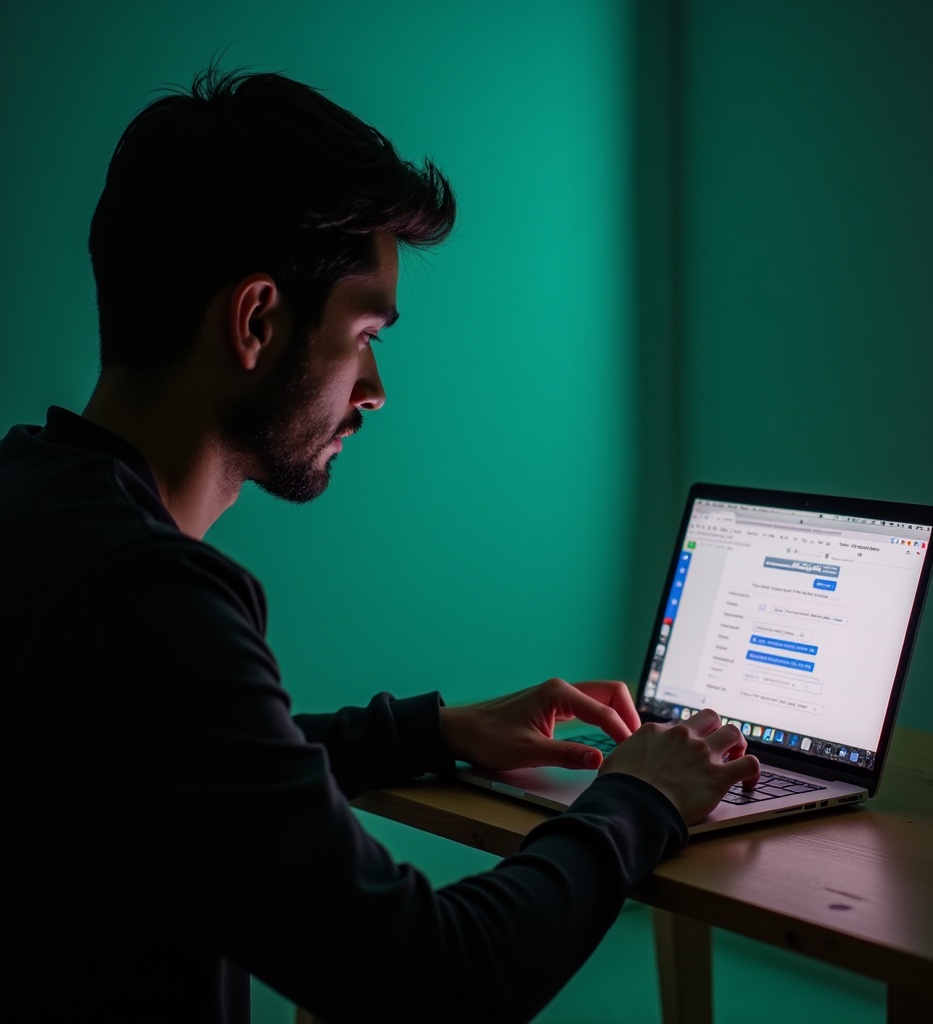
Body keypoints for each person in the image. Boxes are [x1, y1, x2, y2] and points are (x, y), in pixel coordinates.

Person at [0, 68, 759, 1023]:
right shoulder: (144, 598)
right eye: (365, 334)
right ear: (257, 320)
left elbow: (167, 761)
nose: (375, 390)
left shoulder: (35, 504)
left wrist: (427, 734)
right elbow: (436, 980)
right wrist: (639, 800)